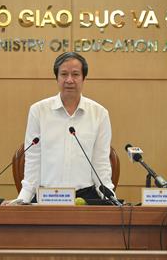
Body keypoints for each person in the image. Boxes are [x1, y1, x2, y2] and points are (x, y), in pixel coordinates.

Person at [9, 52, 113, 205]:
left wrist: (110, 198)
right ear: (56, 78)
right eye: (64, 74)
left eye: (75, 74)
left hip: (85, 198)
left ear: (84, 78)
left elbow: (101, 163)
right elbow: (33, 160)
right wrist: (23, 198)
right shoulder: (39, 111)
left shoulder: (99, 114)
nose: (69, 80)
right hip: (47, 196)